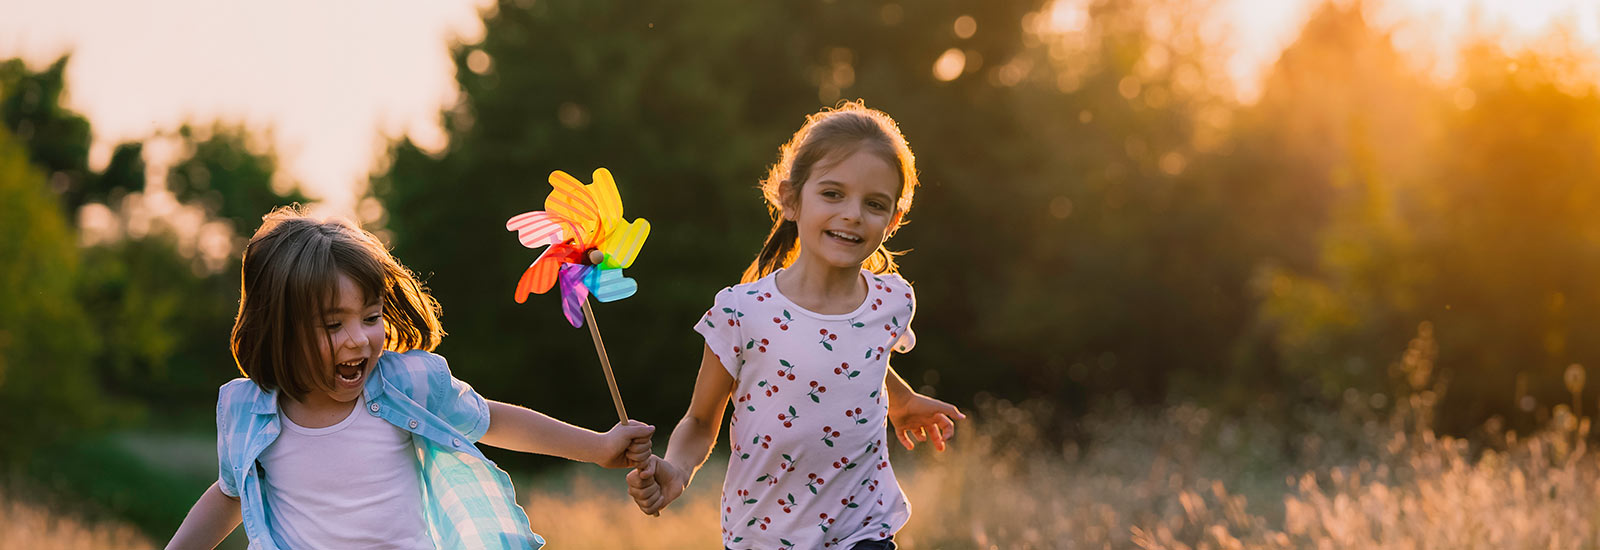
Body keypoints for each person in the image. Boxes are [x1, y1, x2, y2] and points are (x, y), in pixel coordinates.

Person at [166, 207, 654, 550]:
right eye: (333, 325)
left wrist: (596, 446)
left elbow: (494, 420)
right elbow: (229, 493)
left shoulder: (408, 384)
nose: (358, 339)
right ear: (279, 328)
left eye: (371, 316)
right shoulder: (247, 412)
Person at [626, 102, 964, 549]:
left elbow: (863, 356)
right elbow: (701, 419)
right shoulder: (742, 311)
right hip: (762, 536)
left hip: (864, 529)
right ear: (790, 198)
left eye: (874, 204)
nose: (853, 214)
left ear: (893, 220)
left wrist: (900, 401)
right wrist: (677, 471)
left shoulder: (893, 300)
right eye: (832, 194)